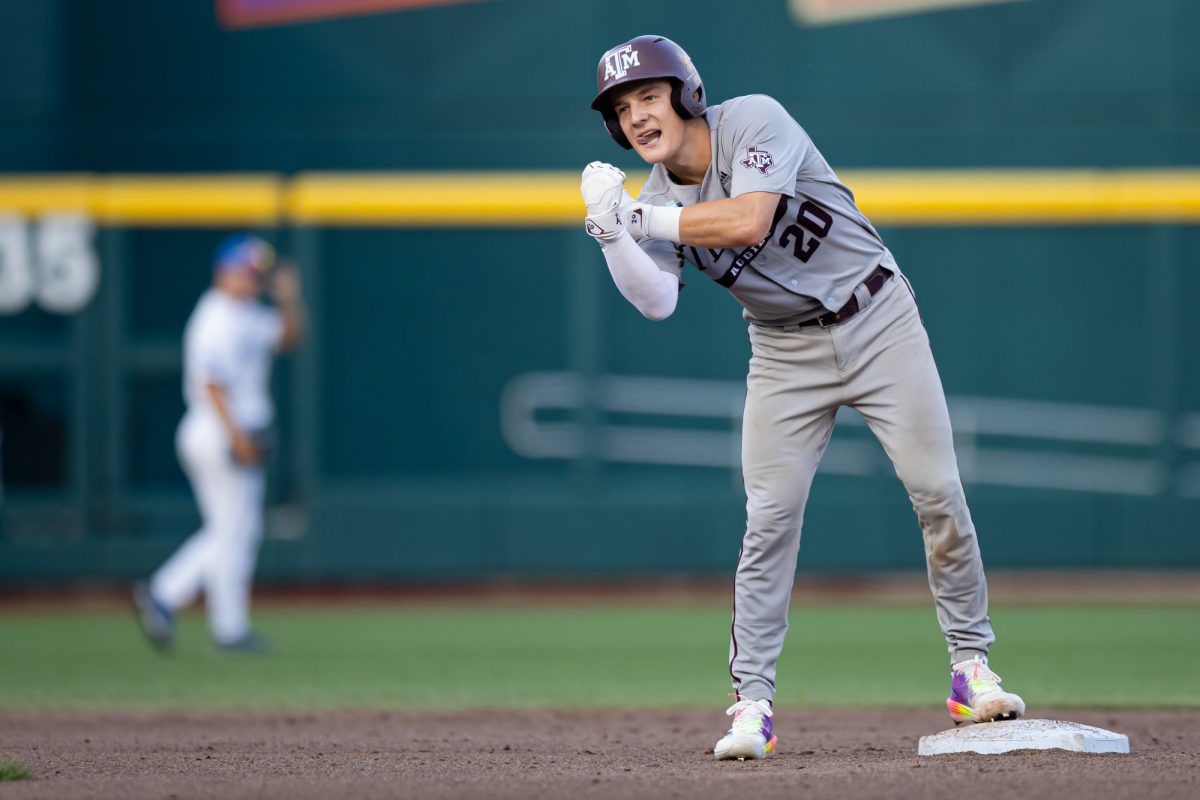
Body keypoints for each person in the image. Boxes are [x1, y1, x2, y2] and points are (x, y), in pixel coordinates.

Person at [581, 35, 1025, 760]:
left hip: (877, 316)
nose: (637, 117)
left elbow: (750, 218)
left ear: (686, 95)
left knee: (936, 491)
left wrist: (634, 220)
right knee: (770, 520)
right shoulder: (657, 199)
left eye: (648, 97)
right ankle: (750, 703)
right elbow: (657, 300)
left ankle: (971, 669)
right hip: (785, 350)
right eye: (623, 109)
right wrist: (610, 235)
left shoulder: (753, 120)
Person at [132, 234, 304, 654]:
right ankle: (168, 594)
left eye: (258, 274)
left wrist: (289, 298)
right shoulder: (215, 316)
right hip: (216, 431)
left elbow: (288, 338)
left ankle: (224, 626)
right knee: (233, 531)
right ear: (223, 271)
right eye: (247, 272)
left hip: (231, 431)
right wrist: (236, 435)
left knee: (237, 531)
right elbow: (212, 383)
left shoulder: (247, 313)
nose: (253, 280)